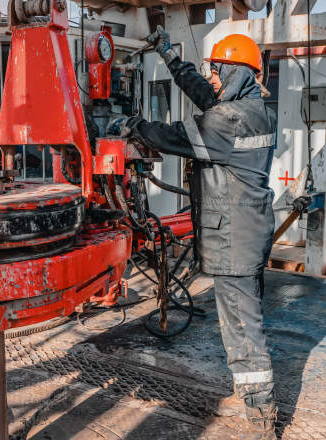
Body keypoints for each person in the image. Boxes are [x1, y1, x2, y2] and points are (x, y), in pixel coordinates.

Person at [111, 27, 278, 439]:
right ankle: (260, 408)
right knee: (245, 321)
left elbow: (176, 136)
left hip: (235, 241)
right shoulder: (254, 111)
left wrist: (131, 124)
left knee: (242, 330)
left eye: (219, 70)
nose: (215, 78)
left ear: (238, 70)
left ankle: (262, 419)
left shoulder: (231, 120)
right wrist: (170, 57)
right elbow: (208, 97)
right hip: (249, 231)